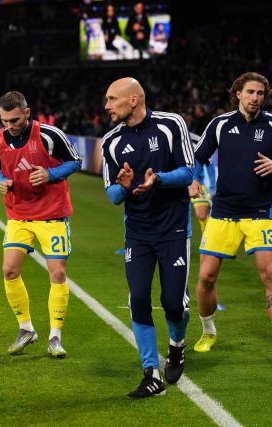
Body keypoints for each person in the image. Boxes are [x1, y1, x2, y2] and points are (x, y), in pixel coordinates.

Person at [193, 72, 272, 364]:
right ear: (237, 93)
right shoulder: (220, 124)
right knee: (206, 277)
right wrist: (194, 181)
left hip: (261, 213)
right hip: (223, 213)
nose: (255, 98)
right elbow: (198, 158)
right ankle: (208, 331)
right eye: (250, 92)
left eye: (260, 94)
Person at [102, 77, 194, 398]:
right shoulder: (111, 141)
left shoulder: (172, 124)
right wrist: (124, 187)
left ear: (134, 100)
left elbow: (188, 172)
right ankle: (150, 373)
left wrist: (159, 181)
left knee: (172, 303)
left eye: (112, 99)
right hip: (138, 233)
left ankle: (177, 345)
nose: (107, 106)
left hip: (174, 229)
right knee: (138, 298)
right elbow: (112, 196)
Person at [0, 91, 81, 358]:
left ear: (27, 113)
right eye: (5, 121)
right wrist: (2, 181)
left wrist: (51, 173)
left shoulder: (49, 135)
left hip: (52, 216)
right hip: (18, 215)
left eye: (15, 120)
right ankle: (26, 329)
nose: (10, 126)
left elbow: (76, 161)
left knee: (57, 274)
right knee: (9, 270)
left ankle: (55, 336)